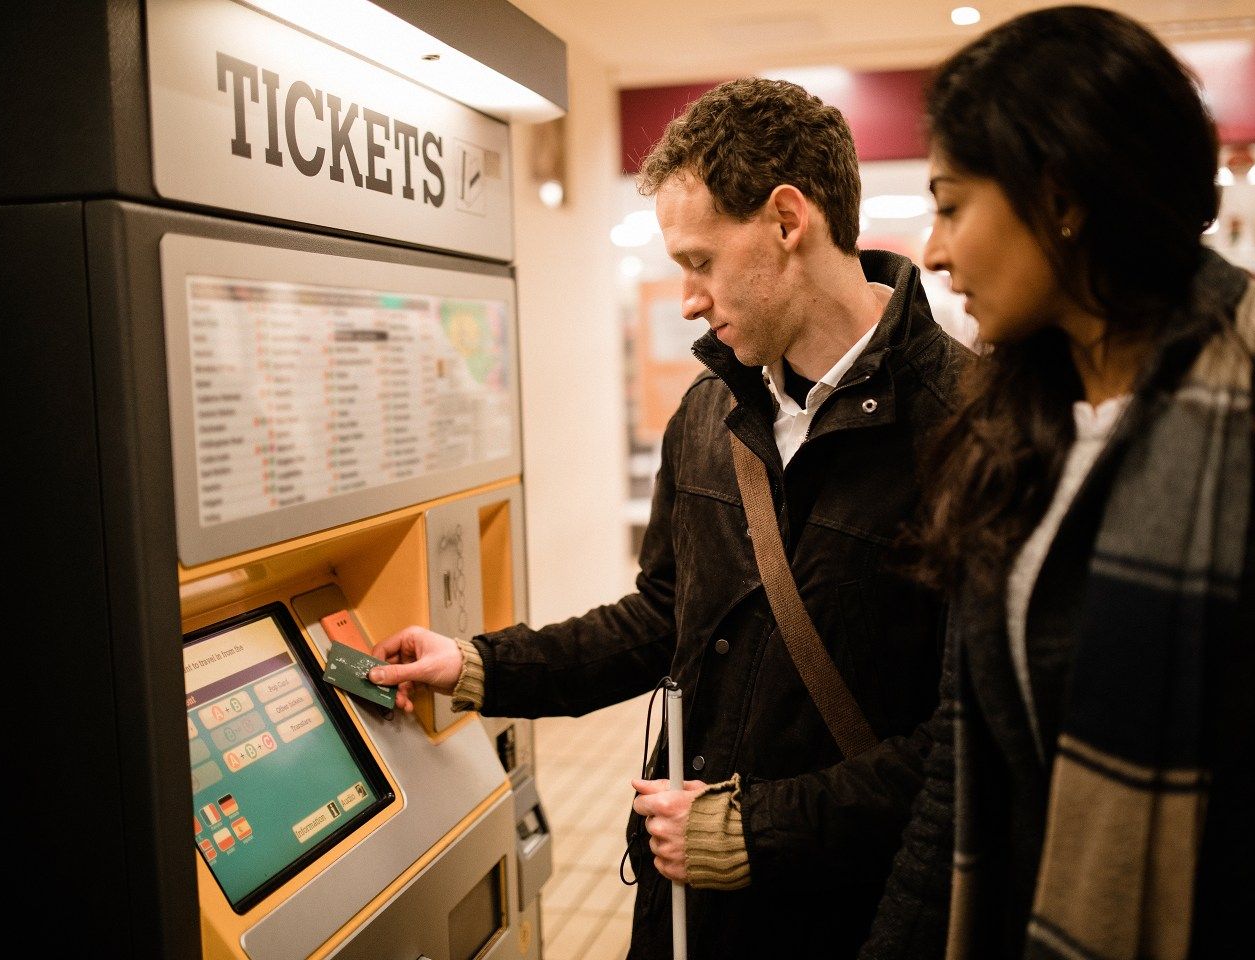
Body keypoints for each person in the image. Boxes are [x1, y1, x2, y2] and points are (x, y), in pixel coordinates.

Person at [368, 78, 969, 958]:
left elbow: (968, 739)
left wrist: (753, 829)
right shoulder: (709, 414)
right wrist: (478, 666)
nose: (686, 298)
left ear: (787, 221)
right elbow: (662, 618)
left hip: (853, 916)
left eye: (699, 261)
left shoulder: (970, 428)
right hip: (688, 914)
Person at [861, 6, 1255, 959]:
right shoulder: (1007, 438)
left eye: (951, 204)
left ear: (1062, 194)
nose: (933, 252)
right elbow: (961, 768)